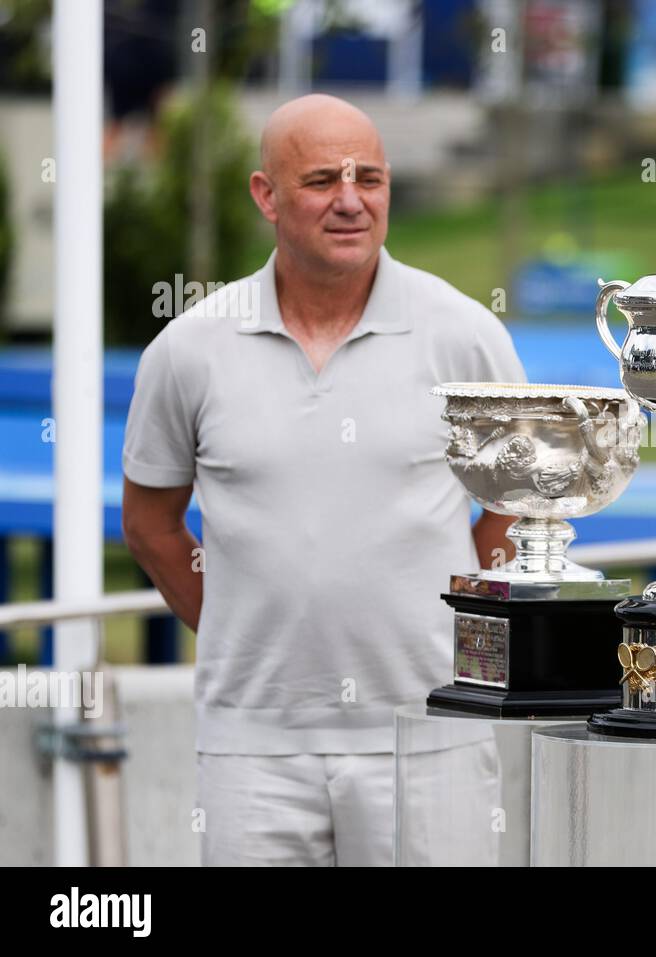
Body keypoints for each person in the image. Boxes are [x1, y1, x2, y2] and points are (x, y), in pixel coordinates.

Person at [121, 94, 523, 865]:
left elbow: (515, 505)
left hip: (431, 736)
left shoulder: (464, 334)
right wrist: (243, 627)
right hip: (253, 747)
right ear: (265, 194)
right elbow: (150, 523)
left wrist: (462, 628)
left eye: (368, 178)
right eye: (321, 180)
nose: (350, 200)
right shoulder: (190, 349)